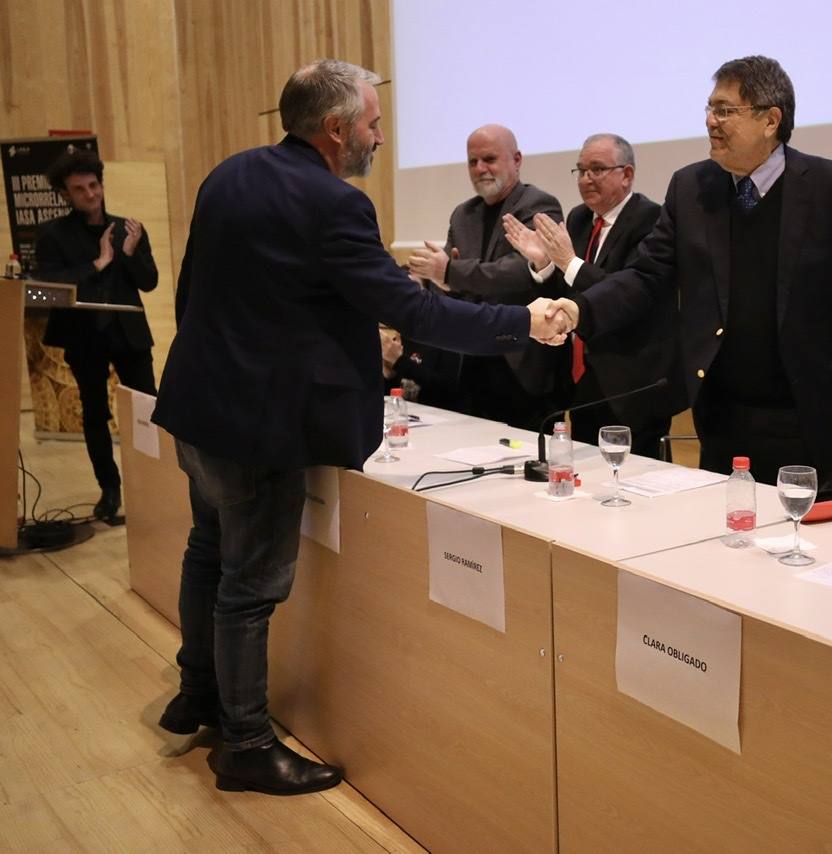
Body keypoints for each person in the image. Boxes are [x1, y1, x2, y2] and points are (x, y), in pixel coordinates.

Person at [151, 60, 568, 796]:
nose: (381, 136)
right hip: (262, 426)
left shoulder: (230, 174)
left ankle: (199, 696)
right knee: (250, 586)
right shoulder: (334, 204)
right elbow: (413, 311)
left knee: (207, 553)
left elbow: (198, 287)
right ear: (337, 129)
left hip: (198, 404)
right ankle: (245, 743)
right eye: (374, 124)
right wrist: (521, 323)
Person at [545, 57, 832, 495]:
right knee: (724, 529)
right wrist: (579, 308)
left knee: (804, 534)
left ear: (771, 119)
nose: (711, 122)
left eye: (725, 110)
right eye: (709, 109)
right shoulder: (691, 187)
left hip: (808, 402)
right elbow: (647, 275)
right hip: (721, 406)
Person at [503, 133, 682, 458]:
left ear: (626, 174)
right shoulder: (579, 218)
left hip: (632, 381)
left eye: (597, 169)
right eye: (581, 170)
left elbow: (625, 294)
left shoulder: (651, 220)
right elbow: (568, 294)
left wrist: (568, 261)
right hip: (583, 378)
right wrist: (544, 262)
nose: (586, 179)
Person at [408, 125, 566, 430]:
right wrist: (438, 281)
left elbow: (520, 273)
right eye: (472, 161)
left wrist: (451, 273)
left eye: (490, 159)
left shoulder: (540, 205)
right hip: (470, 358)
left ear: (517, 160)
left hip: (521, 364)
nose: (480, 169)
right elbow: (450, 283)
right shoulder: (462, 214)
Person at [36, 149, 158, 520]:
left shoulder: (128, 229)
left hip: (129, 334)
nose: (90, 195)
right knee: (95, 414)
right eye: (80, 189)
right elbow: (46, 287)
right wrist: (97, 263)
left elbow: (149, 283)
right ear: (65, 195)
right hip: (84, 336)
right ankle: (110, 490)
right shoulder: (53, 235)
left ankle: (151, 485)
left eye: (94, 185)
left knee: (147, 410)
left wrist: (131, 253)